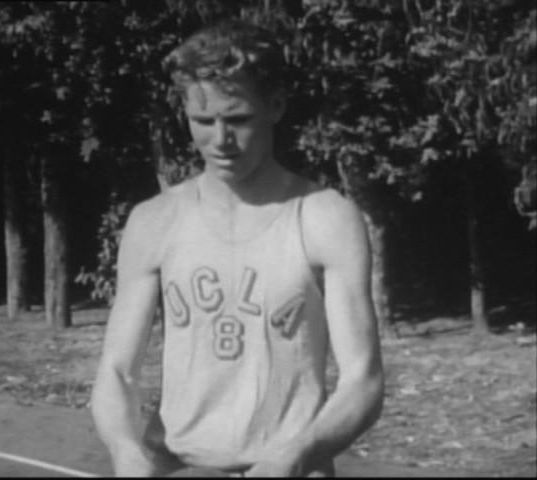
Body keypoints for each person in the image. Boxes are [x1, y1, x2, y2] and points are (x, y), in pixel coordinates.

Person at [91, 19, 384, 477]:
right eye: (202, 121)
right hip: (178, 464)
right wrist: (127, 452)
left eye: (239, 119)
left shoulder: (324, 217)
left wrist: (295, 454)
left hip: (288, 468)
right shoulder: (153, 221)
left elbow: (363, 380)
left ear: (276, 106)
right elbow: (116, 372)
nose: (220, 140)